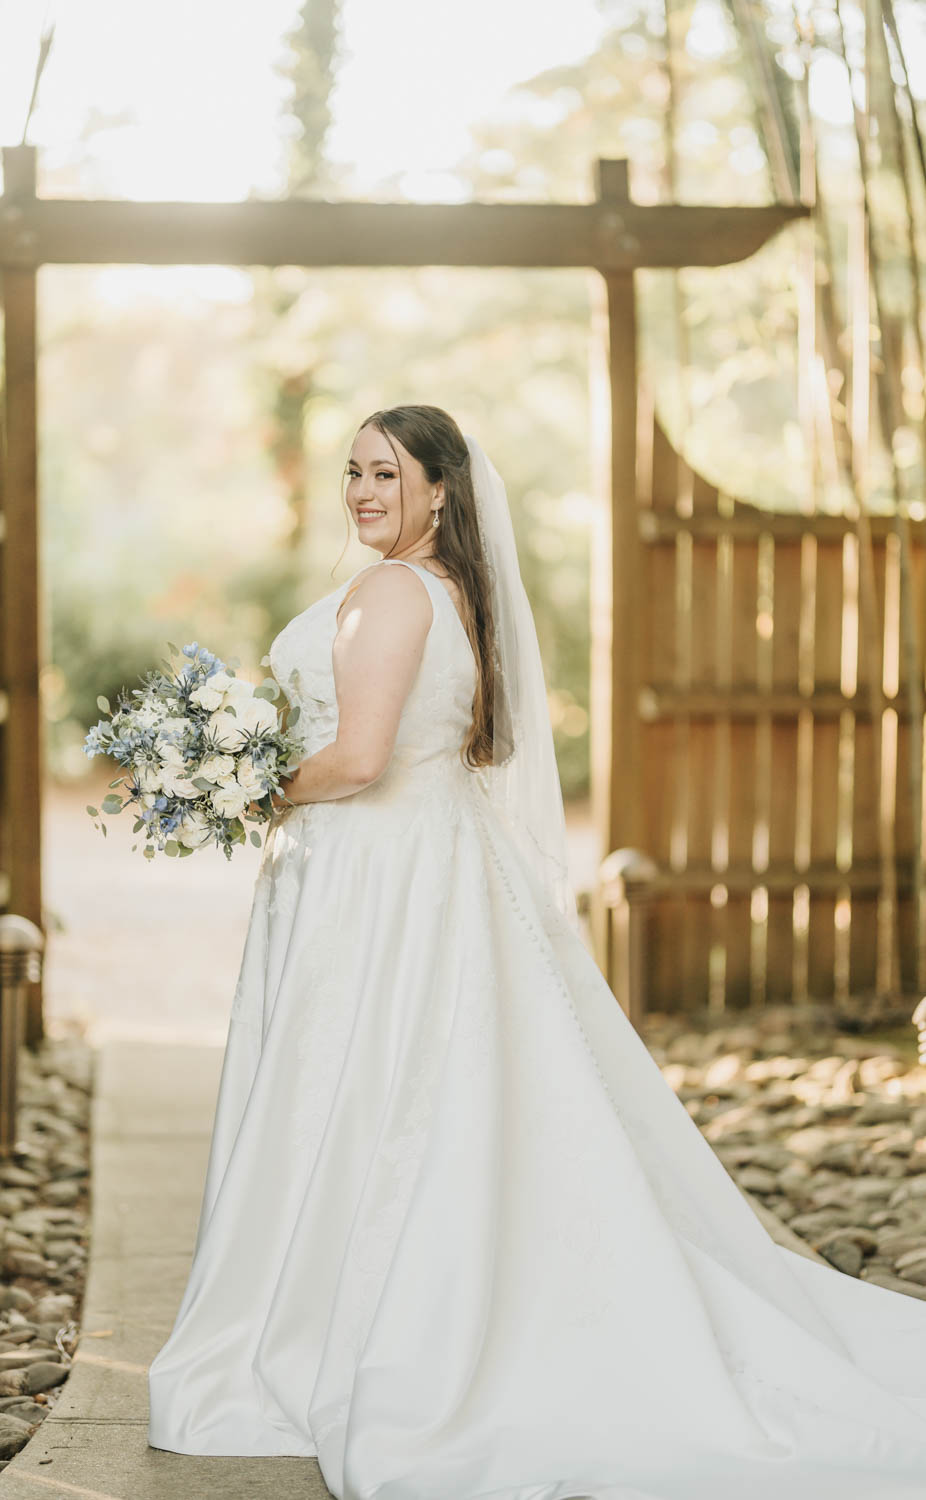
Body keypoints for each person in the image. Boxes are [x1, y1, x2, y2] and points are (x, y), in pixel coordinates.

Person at [147, 404, 926, 1500]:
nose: (363, 491)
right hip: (428, 869)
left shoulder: (387, 593)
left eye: (387, 473)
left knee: (358, 1087)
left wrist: (236, 788)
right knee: (433, 1095)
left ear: (439, 493)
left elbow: (362, 757)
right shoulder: (456, 596)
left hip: (375, 884)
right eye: (353, 472)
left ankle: (344, 1318)